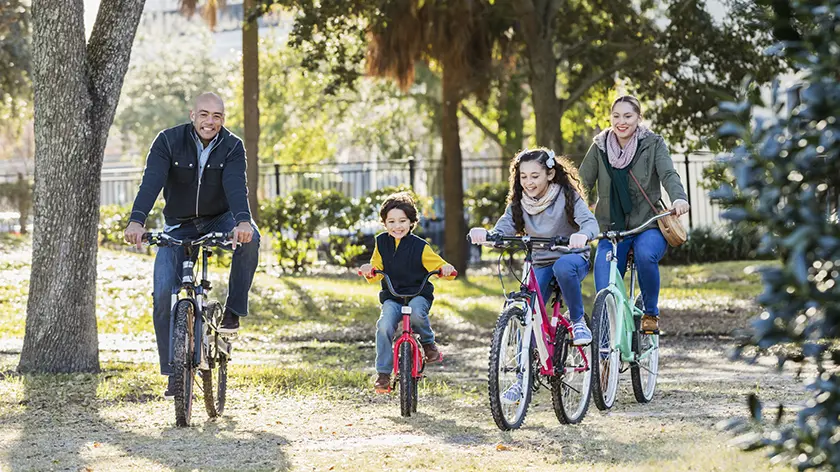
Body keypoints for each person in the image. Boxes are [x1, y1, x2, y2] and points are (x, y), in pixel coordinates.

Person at [123, 92, 260, 397]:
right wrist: (137, 220)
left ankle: (233, 313)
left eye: (217, 116)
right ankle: (173, 373)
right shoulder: (168, 141)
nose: (210, 122)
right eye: (204, 114)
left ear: (223, 119)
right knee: (162, 293)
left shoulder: (232, 146)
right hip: (178, 224)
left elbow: (237, 186)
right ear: (192, 114)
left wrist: (242, 221)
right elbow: (152, 181)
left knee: (253, 240)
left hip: (219, 218)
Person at [579, 95, 690, 333]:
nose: (621, 122)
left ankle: (650, 312)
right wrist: (570, 211)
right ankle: (607, 339)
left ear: (638, 118)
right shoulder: (599, 147)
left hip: (646, 224)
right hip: (610, 228)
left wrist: (678, 197)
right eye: (616, 116)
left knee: (645, 255)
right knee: (604, 286)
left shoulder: (652, 144)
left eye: (628, 116)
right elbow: (581, 185)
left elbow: (669, 174)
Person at [468, 148, 598, 345]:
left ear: (550, 174)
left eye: (535, 176)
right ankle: (529, 361)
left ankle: (578, 320)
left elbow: (590, 223)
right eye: (524, 176)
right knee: (529, 307)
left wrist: (582, 235)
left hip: (572, 257)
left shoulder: (567, 196)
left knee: (562, 267)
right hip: (541, 261)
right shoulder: (520, 202)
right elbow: (505, 226)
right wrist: (489, 235)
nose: (529, 182)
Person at [358, 192, 456, 393]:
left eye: (402, 221)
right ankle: (384, 374)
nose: (397, 226)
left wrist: (445, 269)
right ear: (384, 223)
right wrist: (369, 269)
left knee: (417, 313)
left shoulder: (420, 246)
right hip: (393, 296)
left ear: (411, 222)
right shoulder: (381, 242)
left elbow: (438, 264)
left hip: (418, 294)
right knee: (384, 325)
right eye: (391, 221)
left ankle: (428, 344)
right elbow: (376, 270)